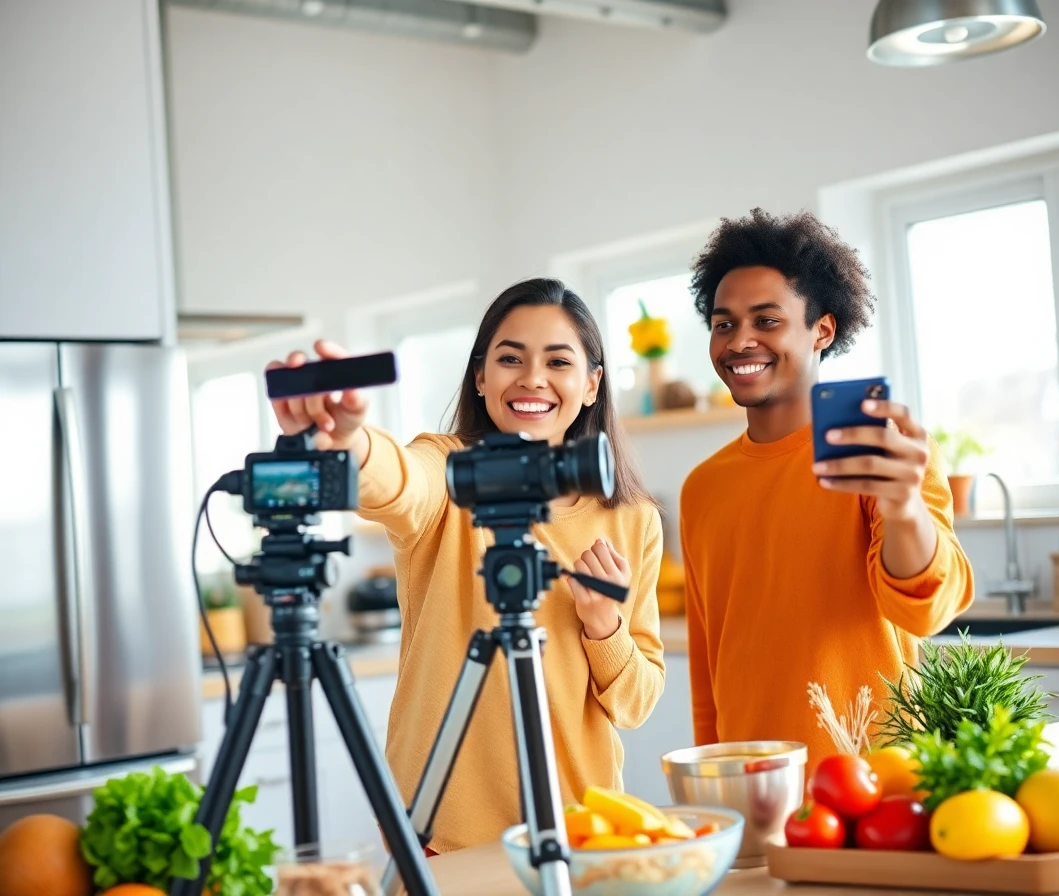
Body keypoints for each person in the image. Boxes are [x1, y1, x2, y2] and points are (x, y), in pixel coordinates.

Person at [266, 278, 666, 854]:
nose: (532, 378)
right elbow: (398, 481)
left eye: (558, 361)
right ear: (481, 378)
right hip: (440, 829)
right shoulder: (449, 470)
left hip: (582, 829)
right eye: (510, 359)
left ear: (591, 384)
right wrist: (347, 439)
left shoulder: (631, 519)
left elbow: (635, 704)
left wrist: (605, 626)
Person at [678, 208, 975, 772]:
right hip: (753, 785)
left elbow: (927, 610)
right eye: (724, 324)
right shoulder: (704, 488)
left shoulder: (882, 455)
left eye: (767, 321)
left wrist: (904, 506)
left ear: (823, 329)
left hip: (875, 782)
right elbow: (708, 666)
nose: (740, 341)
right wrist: (714, 774)